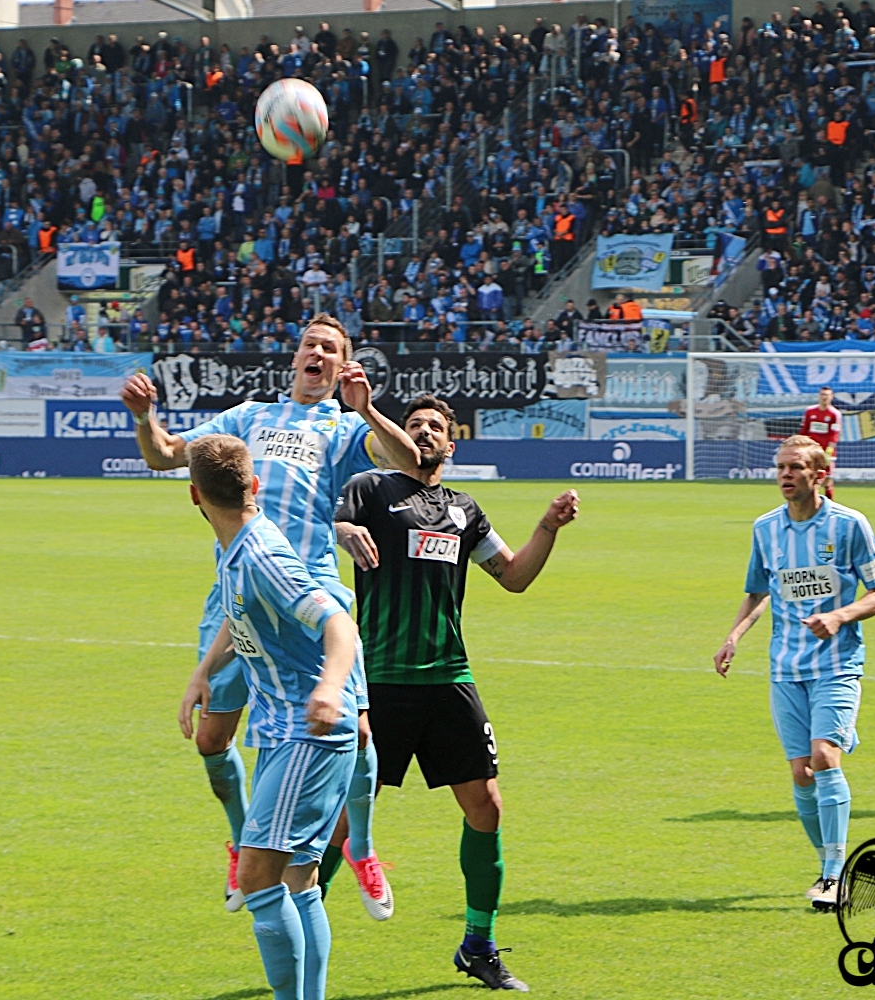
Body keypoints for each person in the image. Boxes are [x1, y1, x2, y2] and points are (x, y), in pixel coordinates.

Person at [120, 314, 419, 916]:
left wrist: (366, 409)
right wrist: (142, 418)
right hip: (240, 591)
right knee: (212, 737)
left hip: (309, 586)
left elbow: (409, 462)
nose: (317, 354)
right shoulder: (248, 417)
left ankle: (360, 848)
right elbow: (166, 456)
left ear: (342, 368)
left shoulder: (338, 426)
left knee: (356, 730)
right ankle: (240, 839)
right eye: (310, 344)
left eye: (330, 349)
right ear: (295, 357)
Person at [333, 395, 579, 992]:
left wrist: (547, 525)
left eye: (434, 428)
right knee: (339, 825)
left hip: (448, 679)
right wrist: (340, 528)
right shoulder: (369, 489)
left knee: (487, 807)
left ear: (451, 445)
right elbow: (322, 524)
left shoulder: (465, 511)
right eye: (414, 425)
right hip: (381, 682)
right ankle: (294, 930)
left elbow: (514, 576)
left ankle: (478, 944)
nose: (423, 432)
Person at [179, 435, 360, 1000]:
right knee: (297, 880)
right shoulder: (239, 546)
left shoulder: (260, 555)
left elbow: (339, 623)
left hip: (308, 735)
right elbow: (242, 620)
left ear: (194, 496)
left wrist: (330, 688)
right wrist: (203, 671)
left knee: (256, 875)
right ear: (254, 486)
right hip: (296, 733)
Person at [712, 435, 875, 911]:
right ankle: (826, 863)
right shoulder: (766, 529)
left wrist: (839, 616)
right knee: (800, 772)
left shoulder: (851, 525)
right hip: (785, 668)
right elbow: (756, 590)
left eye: (795, 467)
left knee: (824, 756)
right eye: (780, 468)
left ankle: (835, 874)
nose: (785, 475)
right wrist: (733, 637)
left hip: (837, 664)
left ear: (819, 475)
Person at [799, 386, 842, 499]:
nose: (824, 397)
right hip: (811, 451)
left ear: (831, 397)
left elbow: (835, 434)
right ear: (819, 396)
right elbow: (804, 431)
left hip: (826, 452)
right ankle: (811, 502)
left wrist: (829, 450)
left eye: (827, 395)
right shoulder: (810, 411)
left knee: (827, 479)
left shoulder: (834, 414)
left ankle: (829, 505)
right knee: (809, 477)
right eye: (822, 394)